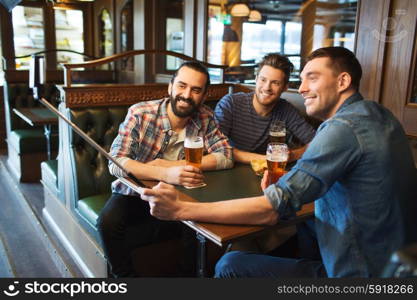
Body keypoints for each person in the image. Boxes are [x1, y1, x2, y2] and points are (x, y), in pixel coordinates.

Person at [140, 47, 417, 277]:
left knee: (229, 265)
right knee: (307, 224)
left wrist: (181, 209)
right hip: (398, 265)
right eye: (301, 79)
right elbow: (223, 149)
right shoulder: (381, 115)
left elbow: (270, 211)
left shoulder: (342, 128)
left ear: (343, 82)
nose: (303, 88)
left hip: (362, 273)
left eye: (312, 78)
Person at [97, 61, 233, 277]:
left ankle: (185, 278)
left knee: (197, 225)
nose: (187, 94)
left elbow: (226, 156)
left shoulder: (205, 116)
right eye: (181, 85)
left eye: (196, 90)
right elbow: (115, 162)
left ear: (204, 95)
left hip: (182, 195)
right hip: (136, 193)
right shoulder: (141, 113)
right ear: (170, 87)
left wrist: (176, 166)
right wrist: (164, 173)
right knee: (108, 221)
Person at [214, 53, 316, 163]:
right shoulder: (230, 104)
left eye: (275, 83)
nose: (267, 87)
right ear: (256, 79)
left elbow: (318, 142)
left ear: (285, 87)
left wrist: (294, 155)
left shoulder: (286, 110)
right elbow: (218, 147)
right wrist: (267, 159)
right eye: (263, 80)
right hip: (230, 169)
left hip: (264, 173)